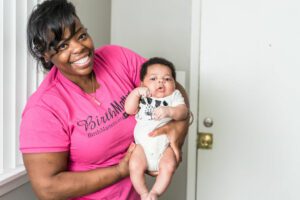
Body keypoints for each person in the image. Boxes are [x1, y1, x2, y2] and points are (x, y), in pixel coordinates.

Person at [19, 0, 190, 199]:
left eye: (81, 35)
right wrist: (119, 171)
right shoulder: (43, 109)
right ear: (46, 54)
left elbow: (172, 89)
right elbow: (48, 188)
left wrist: (177, 130)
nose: (79, 47)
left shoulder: (117, 58)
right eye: (63, 45)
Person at [125, 57, 188, 200]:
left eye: (167, 79)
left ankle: (155, 192)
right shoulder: (141, 95)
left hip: (164, 147)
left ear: (174, 83)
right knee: (134, 165)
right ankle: (143, 192)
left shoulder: (174, 96)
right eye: (153, 79)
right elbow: (129, 110)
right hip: (142, 147)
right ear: (142, 83)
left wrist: (170, 111)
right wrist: (135, 93)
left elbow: (183, 112)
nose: (160, 82)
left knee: (169, 165)